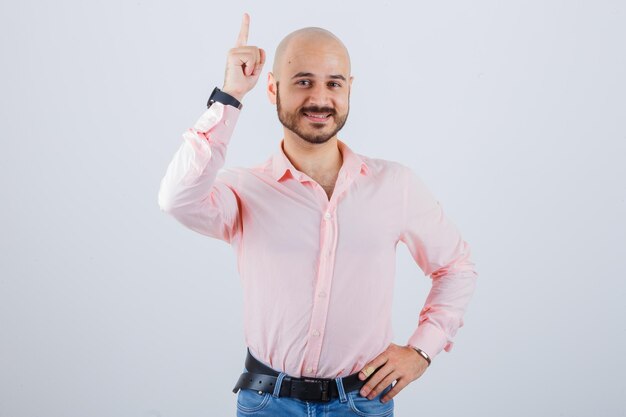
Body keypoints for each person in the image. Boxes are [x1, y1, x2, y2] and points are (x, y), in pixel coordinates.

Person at [158, 12, 478, 417]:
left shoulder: (395, 185)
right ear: (272, 88)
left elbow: (456, 267)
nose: (320, 98)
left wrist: (421, 350)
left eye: (334, 83)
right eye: (303, 81)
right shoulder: (243, 190)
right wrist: (230, 94)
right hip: (267, 403)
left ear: (349, 89)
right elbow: (176, 199)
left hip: (363, 403)